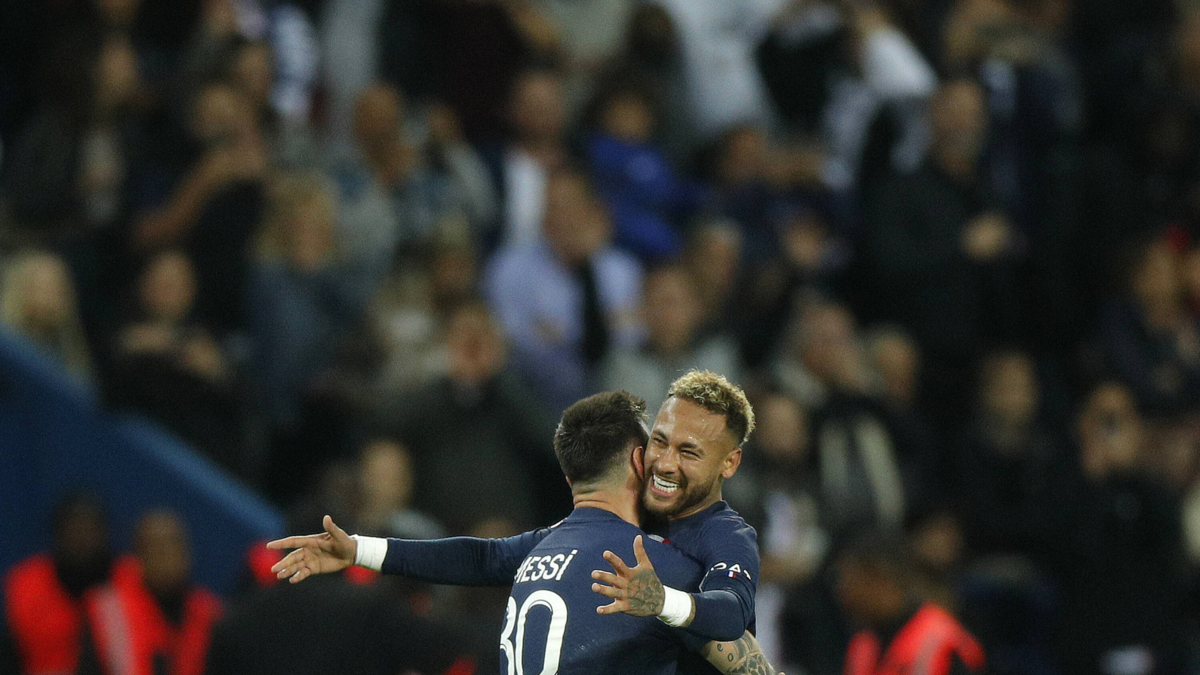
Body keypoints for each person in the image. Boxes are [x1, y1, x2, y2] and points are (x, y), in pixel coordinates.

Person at [270, 388, 776, 674]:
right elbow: (736, 646)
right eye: (659, 446)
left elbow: (476, 558)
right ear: (638, 462)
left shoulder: (541, 548)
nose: (665, 462)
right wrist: (666, 600)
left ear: (569, 478)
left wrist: (359, 549)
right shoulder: (655, 568)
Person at [82, 511, 222, 675]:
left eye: (175, 547)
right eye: (157, 550)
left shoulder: (209, 614)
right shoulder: (108, 611)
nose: (168, 559)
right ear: (139, 558)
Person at [837, 533, 985, 675]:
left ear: (881, 579)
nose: (845, 595)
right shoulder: (863, 644)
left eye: (852, 584)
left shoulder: (942, 640)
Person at [1, 493, 114, 675]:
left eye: (89, 529)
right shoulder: (26, 585)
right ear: (58, 533)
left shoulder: (127, 581)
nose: (81, 537)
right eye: (74, 529)